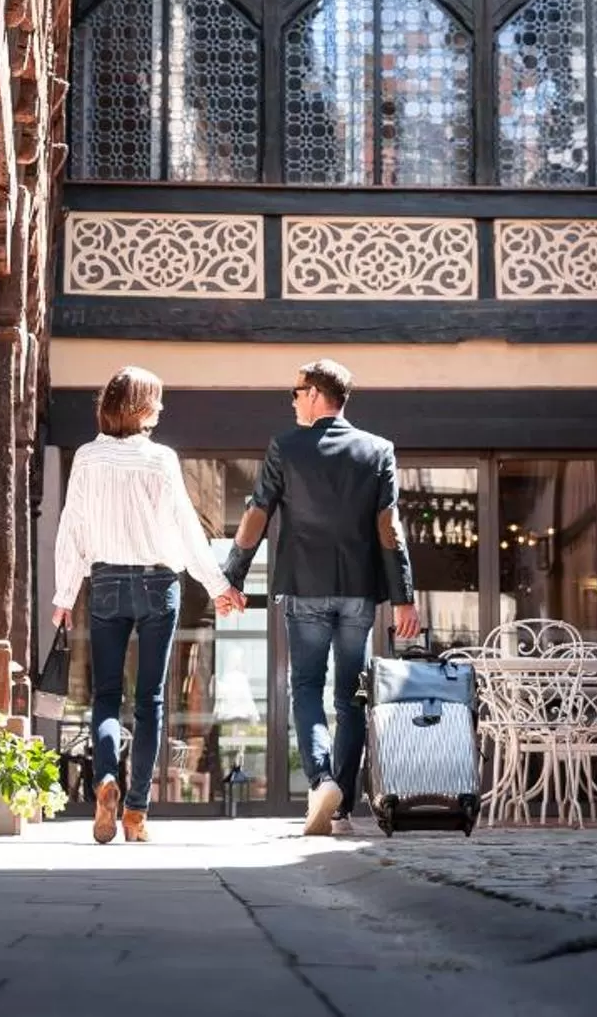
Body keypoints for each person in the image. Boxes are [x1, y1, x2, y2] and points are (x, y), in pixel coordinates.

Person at [50, 366, 246, 844]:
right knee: (151, 701)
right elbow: (185, 528)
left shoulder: (87, 458)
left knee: (105, 696)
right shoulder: (161, 459)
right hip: (160, 583)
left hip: (107, 581)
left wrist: (63, 595)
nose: (161, 409)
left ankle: (105, 780)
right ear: (139, 407)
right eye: (156, 401)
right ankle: (136, 813)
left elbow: (71, 529)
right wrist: (218, 584)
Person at [225, 358, 419, 838]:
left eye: (295, 391)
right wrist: (404, 598)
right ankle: (341, 808)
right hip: (358, 592)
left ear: (314, 393)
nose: (291, 400)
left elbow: (257, 515)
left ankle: (322, 779)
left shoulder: (286, 447)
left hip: (304, 588)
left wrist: (233, 576)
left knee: (306, 689)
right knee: (351, 696)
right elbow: (389, 529)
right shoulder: (378, 450)